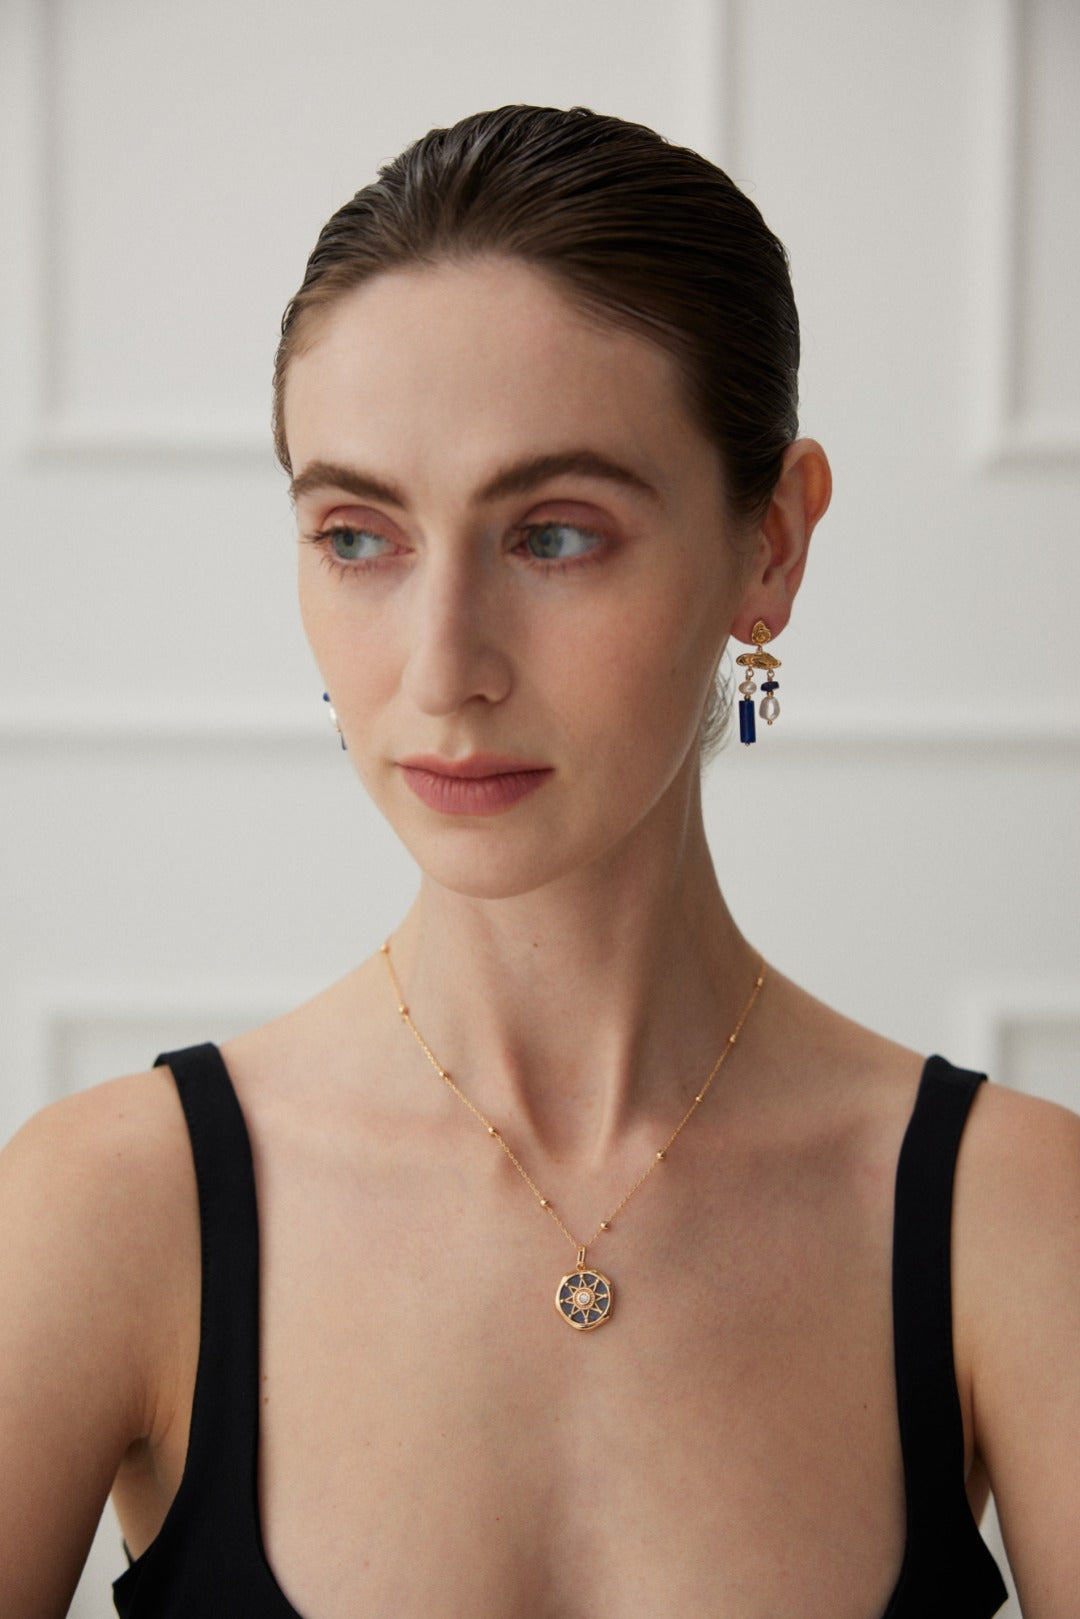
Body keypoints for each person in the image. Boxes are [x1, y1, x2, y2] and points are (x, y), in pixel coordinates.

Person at [1, 104, 1077, 1619]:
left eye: (555, 535)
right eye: (360, 537)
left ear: (771, 542)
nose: (444, 669)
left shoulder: (1015, 1220)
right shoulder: (106, 1208)